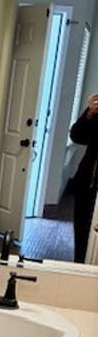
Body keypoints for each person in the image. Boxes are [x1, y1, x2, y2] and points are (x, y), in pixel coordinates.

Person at [70, 93, 98, 262]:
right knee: (81, 232)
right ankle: (79, 266)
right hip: (87, 182)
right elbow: (76, 136)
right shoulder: (95, 113)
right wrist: (89, 113)